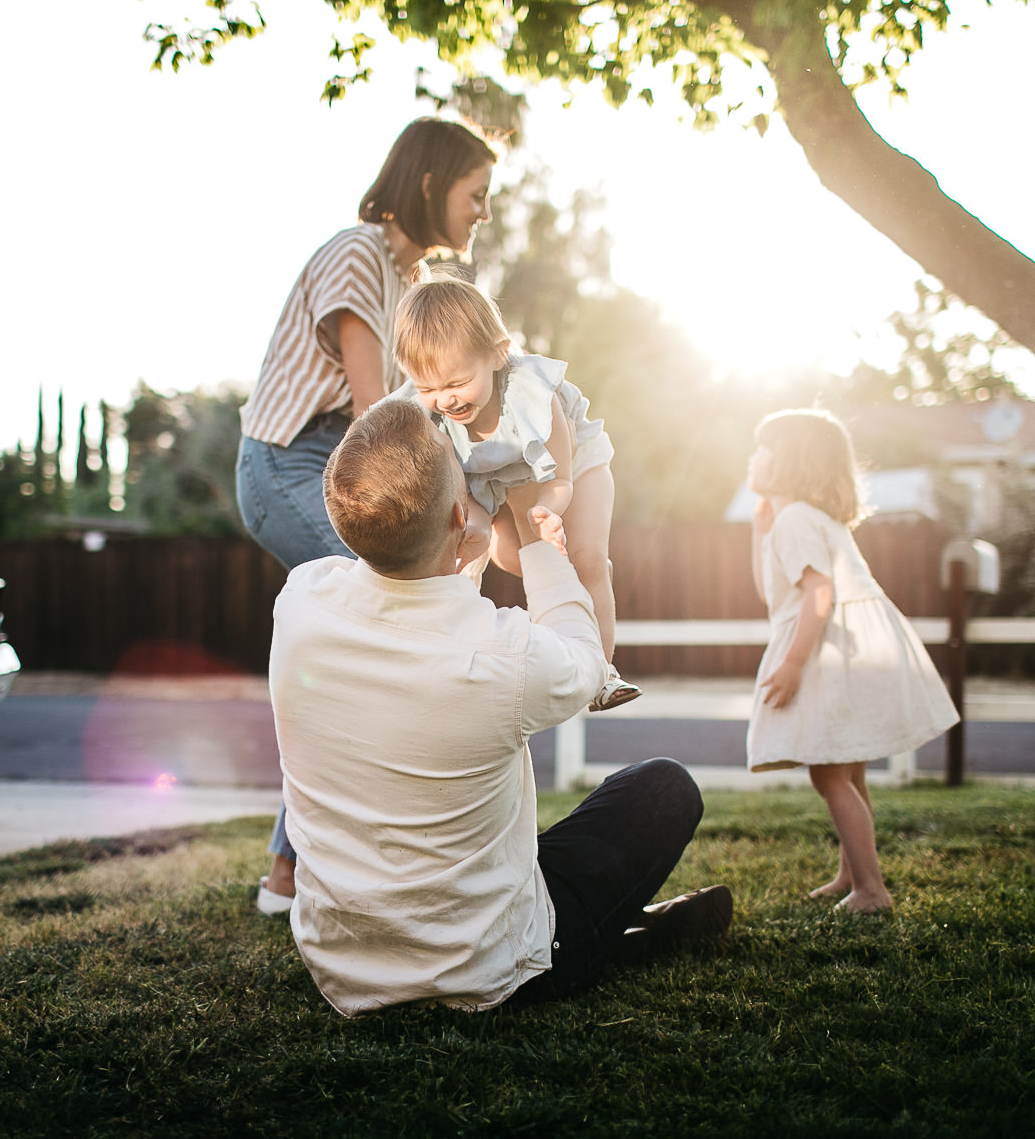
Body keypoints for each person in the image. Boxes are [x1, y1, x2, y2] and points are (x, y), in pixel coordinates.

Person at [271, 398, 731, 1014]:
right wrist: (532, 532)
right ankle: (626, 937)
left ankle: (629, 928)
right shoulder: (506, 656)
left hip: (344, 968)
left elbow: (425, 598)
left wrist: (461, 540)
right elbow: (587, 658)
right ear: (459, 514)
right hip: (487, 970)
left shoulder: (301, 599)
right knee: (665, 789)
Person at [235, 118, 497, 915]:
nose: (483, 212)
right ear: (430, 184)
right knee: (383, 626)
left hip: (340, 462)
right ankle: (292, 874)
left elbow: (424, 409)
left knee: (374, 639)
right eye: (476, 194)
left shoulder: (411, 282)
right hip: (291, 466)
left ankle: (292, 873)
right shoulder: (358, 253)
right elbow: (374, 415)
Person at [389, 274, 640, 713]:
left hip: (574, 466)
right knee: (512, 558)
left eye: (457, 383)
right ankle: (576, 585)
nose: (445, 399)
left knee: (585, 559)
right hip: (502, 482)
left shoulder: (531, 396)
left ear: (497, 353)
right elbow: (461, 486)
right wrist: (477, 526)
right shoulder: (433, 416)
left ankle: (602, 673)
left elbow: (560, 480)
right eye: (428, 389)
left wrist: (547, 511)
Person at [744, 408, 958, 915]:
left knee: (829, 775)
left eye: (762, 448)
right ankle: (852, 874)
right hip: (847, 647)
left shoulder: (797, 520)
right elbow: (772, 594)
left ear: (789, 459)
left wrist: (792, 664)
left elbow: (818, 595)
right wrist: (759, 530)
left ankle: (871, 890)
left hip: (824, 652)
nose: (751, 458)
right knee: (849, 770)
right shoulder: (805, 518)